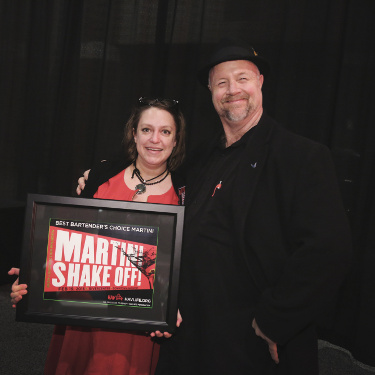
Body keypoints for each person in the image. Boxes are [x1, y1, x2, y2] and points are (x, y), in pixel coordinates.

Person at [76, 38, 351, 374]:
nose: (232, 89)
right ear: (210, 90)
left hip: (249, 342)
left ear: (260, 82)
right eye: (221, 82)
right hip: (186, 336)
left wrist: (275, 322)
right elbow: (151, 158)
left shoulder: (300, 156)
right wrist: (98, 173)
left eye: (242, 78)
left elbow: (328, 251)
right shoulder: (202, 157)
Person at [9, 96, 186, 375]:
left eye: (165, 131)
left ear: (175, 140)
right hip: (84, 313)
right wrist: (34, 272)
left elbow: (184, 263)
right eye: (146, 129)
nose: (155, 139)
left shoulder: (186, 193)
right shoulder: (101, 175)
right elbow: (69, 238)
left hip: (136, 327)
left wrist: (174, 302)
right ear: (133, 133)